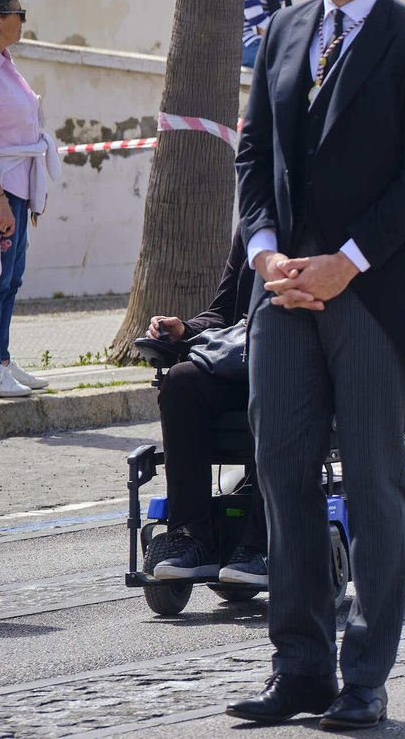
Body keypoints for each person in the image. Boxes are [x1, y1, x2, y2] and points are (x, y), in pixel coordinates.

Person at [226, 0, 405, 729]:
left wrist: (347, 262)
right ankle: (300, 669)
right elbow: (252, 159)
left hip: (372, 300)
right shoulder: (284, 31)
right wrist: (264, 253)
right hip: (282, 296)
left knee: (371, 489)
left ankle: (364, 676)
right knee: (282, 480)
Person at [144, 230, 268, 586]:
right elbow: (223, 312)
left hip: (295, 363)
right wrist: (184, 329)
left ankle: (260, 545)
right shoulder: (253, 225)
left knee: (276, 382)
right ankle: (194, 537)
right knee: (182, 382)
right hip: (245, 360)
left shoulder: (322, 216)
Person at [0, 0, 56, 399]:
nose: (25, 22)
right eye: (20, 14)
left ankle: (0, 358)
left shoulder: (2, 60)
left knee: (12, 276)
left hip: (16, 184)